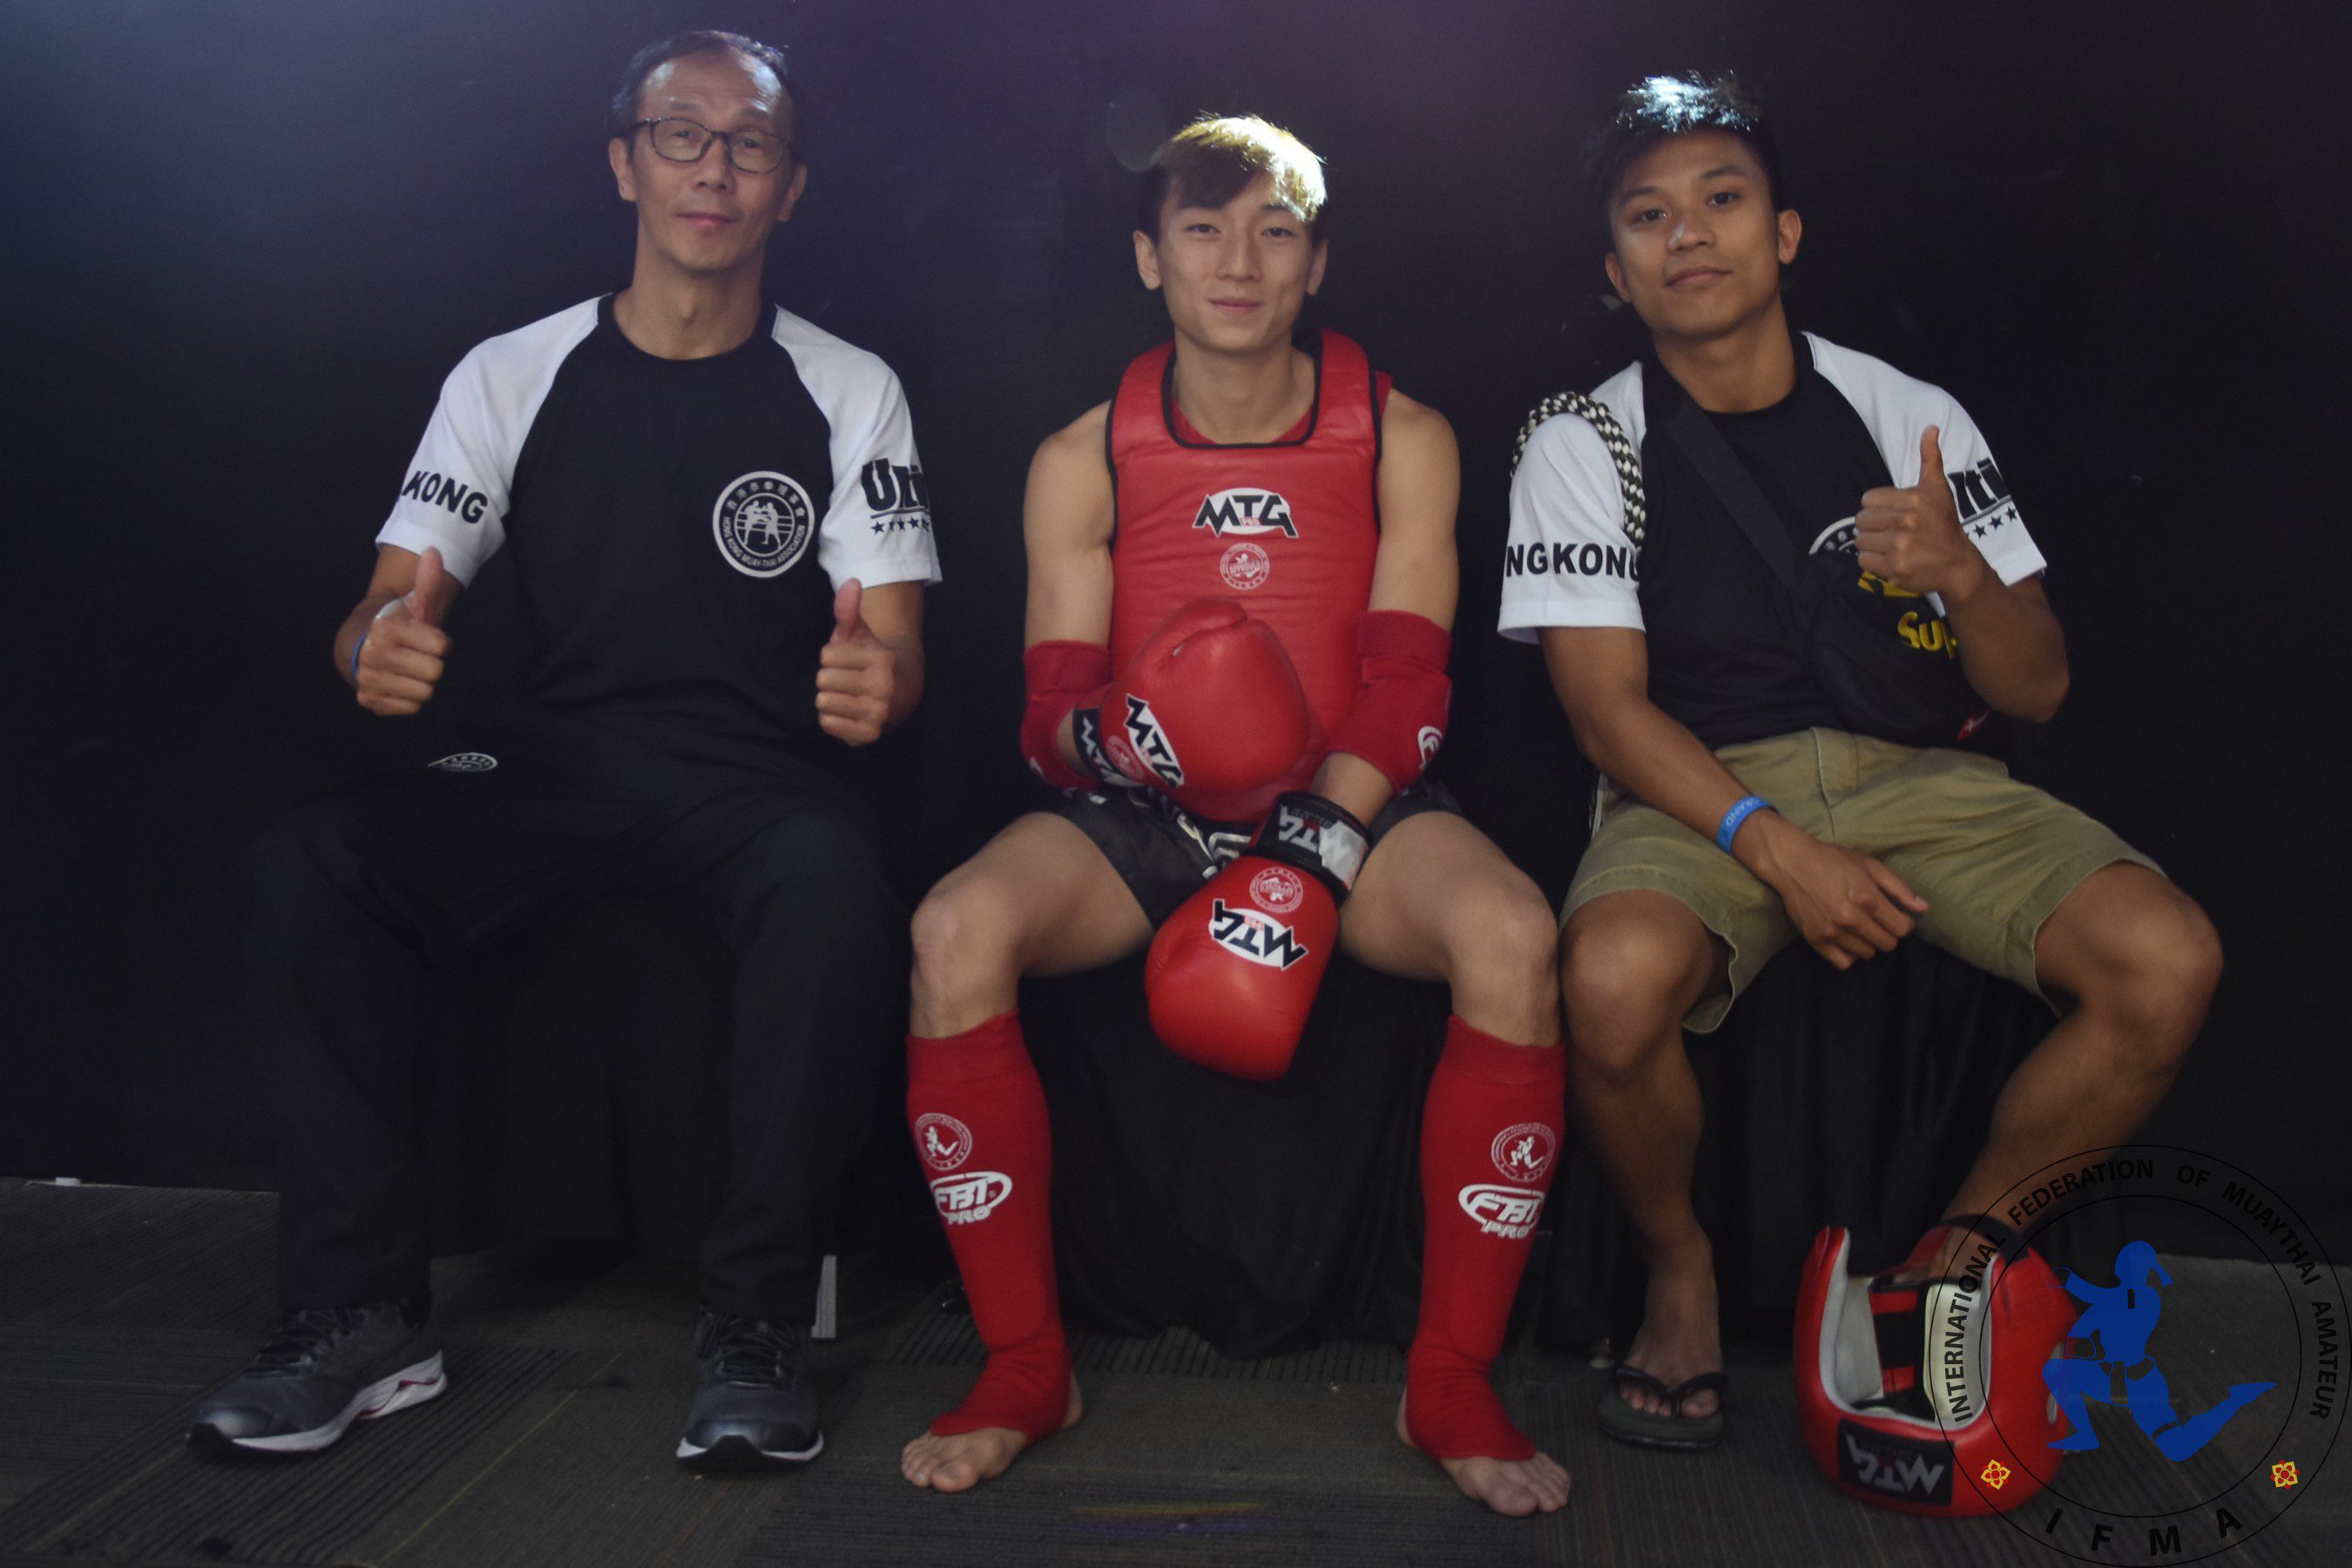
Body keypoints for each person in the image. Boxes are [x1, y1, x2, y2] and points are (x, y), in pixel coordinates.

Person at [190, 30, 938, 1470]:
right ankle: (359, 1316)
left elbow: (892, 648)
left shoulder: (850, 388)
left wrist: (875, 684)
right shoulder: (512, 371)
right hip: (547, 772)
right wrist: (373, 647)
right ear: (623, 164)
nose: (713, 168)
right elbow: (384, 600)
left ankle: (755, 1327)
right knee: (311, 860)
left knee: (834, 885)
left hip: (748, 783)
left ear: (790, 187)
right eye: (680, 134)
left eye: (750, 144)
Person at [1499, 73, 2222, 1450]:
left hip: (1925, 778)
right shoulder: (1582, 438)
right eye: (1648, 215)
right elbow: (1605, 714)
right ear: (1615, 272)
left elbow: (2039, 686)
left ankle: (1950, 1270)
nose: (1689, 233)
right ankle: (1678, 1266)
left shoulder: (1905, 412)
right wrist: (1781, 849)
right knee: (1609, 979)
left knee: (2168, 960)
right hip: (1701, 786)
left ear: (1783, 233)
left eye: (1723, 198)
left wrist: (1963, 573)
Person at [896, 116, 1570, 1517]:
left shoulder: (1403, 437)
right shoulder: (1085, 454)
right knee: (955, 930)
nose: (1239, 263)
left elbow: (1410, 689)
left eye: (1275, 232)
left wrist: (1311, 846)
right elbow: (1049, 720)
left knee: (1512, 937)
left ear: (1318, 262)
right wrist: (1134, 735)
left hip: (1353, 797)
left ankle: (1449, 1378)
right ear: (1151, 258)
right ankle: (1026, 1366)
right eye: (1203, 230)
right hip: (1149, 812)